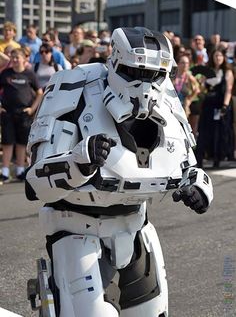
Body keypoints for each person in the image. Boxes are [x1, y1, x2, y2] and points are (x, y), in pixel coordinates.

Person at [25, 27, 213, 317]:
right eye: (133, 71)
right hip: (78, 229)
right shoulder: (75, 88)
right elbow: (35, 183)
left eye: (153, 74)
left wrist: (199, 187)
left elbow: (188, 165)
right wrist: (78, 163)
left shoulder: (165, 99)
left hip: (135, 228)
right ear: (114, 61)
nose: (144, 84)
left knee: (152, 312)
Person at [0, 48, 43, 183]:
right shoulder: (5, 73)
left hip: (24, 114)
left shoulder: (30, 74)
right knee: (7, 142)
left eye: (17, 57)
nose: (14, 60)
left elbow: (40, 93)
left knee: (21, 143)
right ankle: (5, 172)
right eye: (12, 57)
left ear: (24, 59)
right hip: (7, 113)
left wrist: (32, 109)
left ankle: (20, 170)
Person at [196, 47, 234, 168]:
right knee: (203, 132)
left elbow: (229, 90)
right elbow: (201, 88)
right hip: (208, 105)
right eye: (216, 56)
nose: (218, 58)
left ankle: (216, 159)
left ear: (223, 58)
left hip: (220, 106)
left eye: (220, 56)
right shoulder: (208, 71)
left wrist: (225, 105)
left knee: (218, 133)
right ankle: (199, 159)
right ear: (212, 57)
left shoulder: (227, 72)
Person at [174, 55, 199, 120]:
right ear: (178, 64)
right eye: (183, 63)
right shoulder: (173, 76)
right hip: (172, 105)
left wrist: (189, 99)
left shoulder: (190, 77)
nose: (185, 65)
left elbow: (197, 90)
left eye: (187, 63)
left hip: (183, 107)